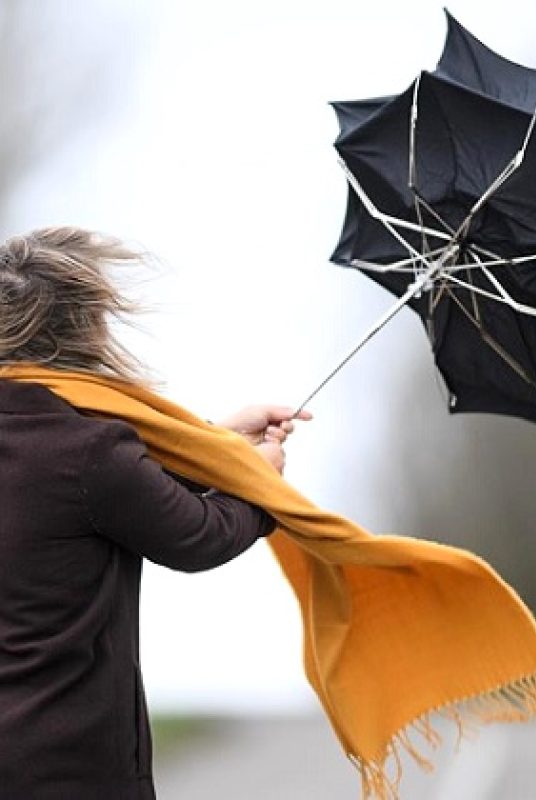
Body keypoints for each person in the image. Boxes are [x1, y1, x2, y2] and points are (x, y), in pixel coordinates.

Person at [0, 227, 310, 799]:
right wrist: (260, 482)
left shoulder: (67, 449)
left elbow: (118, 494)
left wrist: (220, 446)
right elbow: (197, 535)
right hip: (71, 770)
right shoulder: (86, 449)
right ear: (83, 331)